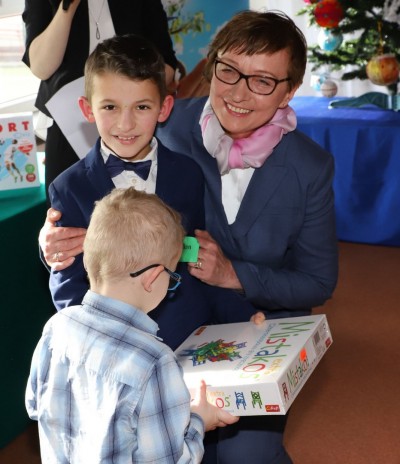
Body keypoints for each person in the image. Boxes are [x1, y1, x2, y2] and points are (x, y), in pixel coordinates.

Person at [38, 10, 339, 464]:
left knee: (241, 455)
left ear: (289, 90)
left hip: (237, 320)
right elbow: (78, 262)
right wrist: (51, 249)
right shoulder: (167, 125)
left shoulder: (308, 168)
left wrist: (241, 299)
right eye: (229, 71)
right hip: (136, 345)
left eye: (262, 81)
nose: (238, 92)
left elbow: (317, 281)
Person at [45, 33, 255, 349]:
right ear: (88, 110)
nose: (125, 124)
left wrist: (245, 319)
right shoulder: (69, 188)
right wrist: (105, 348)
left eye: (141, 107)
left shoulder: (187, 174)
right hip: (117, 349)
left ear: (164, 107)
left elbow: (197, 260)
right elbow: (69, 288)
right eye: (110, 107)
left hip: (190, 336)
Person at [26, 186, 239, 463]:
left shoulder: (56, 328)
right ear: (153, 278)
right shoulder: (155, 362)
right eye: (172, 277)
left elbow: (35, 406)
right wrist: (198, 419)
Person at [22, 0, 178, 197]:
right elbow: (41, 67)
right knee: (72, 200)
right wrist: (67, 8)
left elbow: (166, 62)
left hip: (137, 126)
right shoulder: (65, 183)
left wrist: (135, 96)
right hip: (66, 125)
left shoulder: (184, 172)